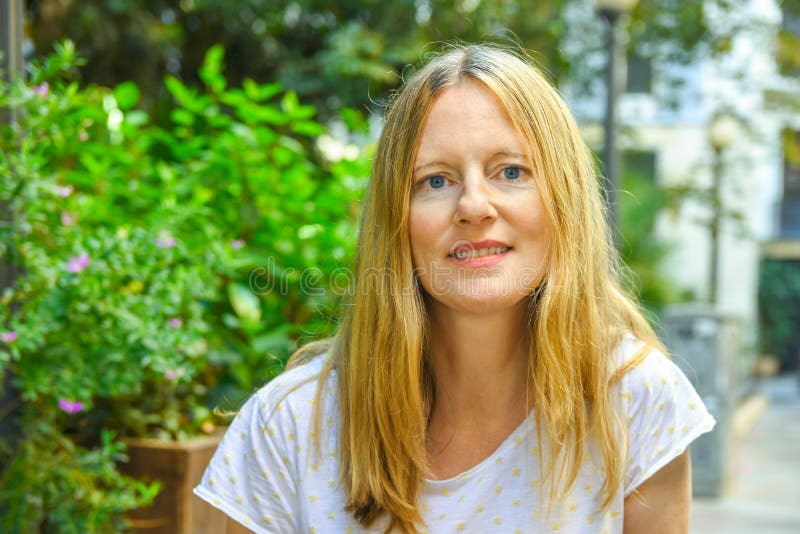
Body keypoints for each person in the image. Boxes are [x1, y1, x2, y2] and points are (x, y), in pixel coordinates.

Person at [194, 44, 715, 534]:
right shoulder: (287, 426)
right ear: (395, 222)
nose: (474, 205)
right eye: (435, 181)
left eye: (510, 171)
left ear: (564, 200)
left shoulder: (639, 402)